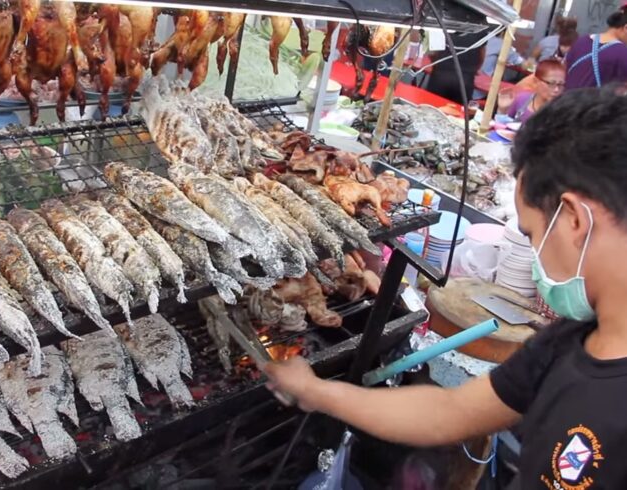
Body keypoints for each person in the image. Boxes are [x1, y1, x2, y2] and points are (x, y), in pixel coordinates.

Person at [264, 87, 627, 489]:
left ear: (574, 219)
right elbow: (450, 412)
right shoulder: (567, 341)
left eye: (532, 233)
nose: (535, 252)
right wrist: (316, 392)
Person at [565, 6, 627, 89]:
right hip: (595, 101)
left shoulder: (581, 41)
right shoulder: (623, 52)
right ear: (625, 28)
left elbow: (565, 69)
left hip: (566, 99)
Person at [425, 30, 487, 103]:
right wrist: (475, 69)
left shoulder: (443, 22)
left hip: (441, 76)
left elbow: (433, 52)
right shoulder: (480, 28)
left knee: (431, 107)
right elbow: (481, 55)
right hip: (465, 81)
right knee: (458, 112)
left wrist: (436, 64)